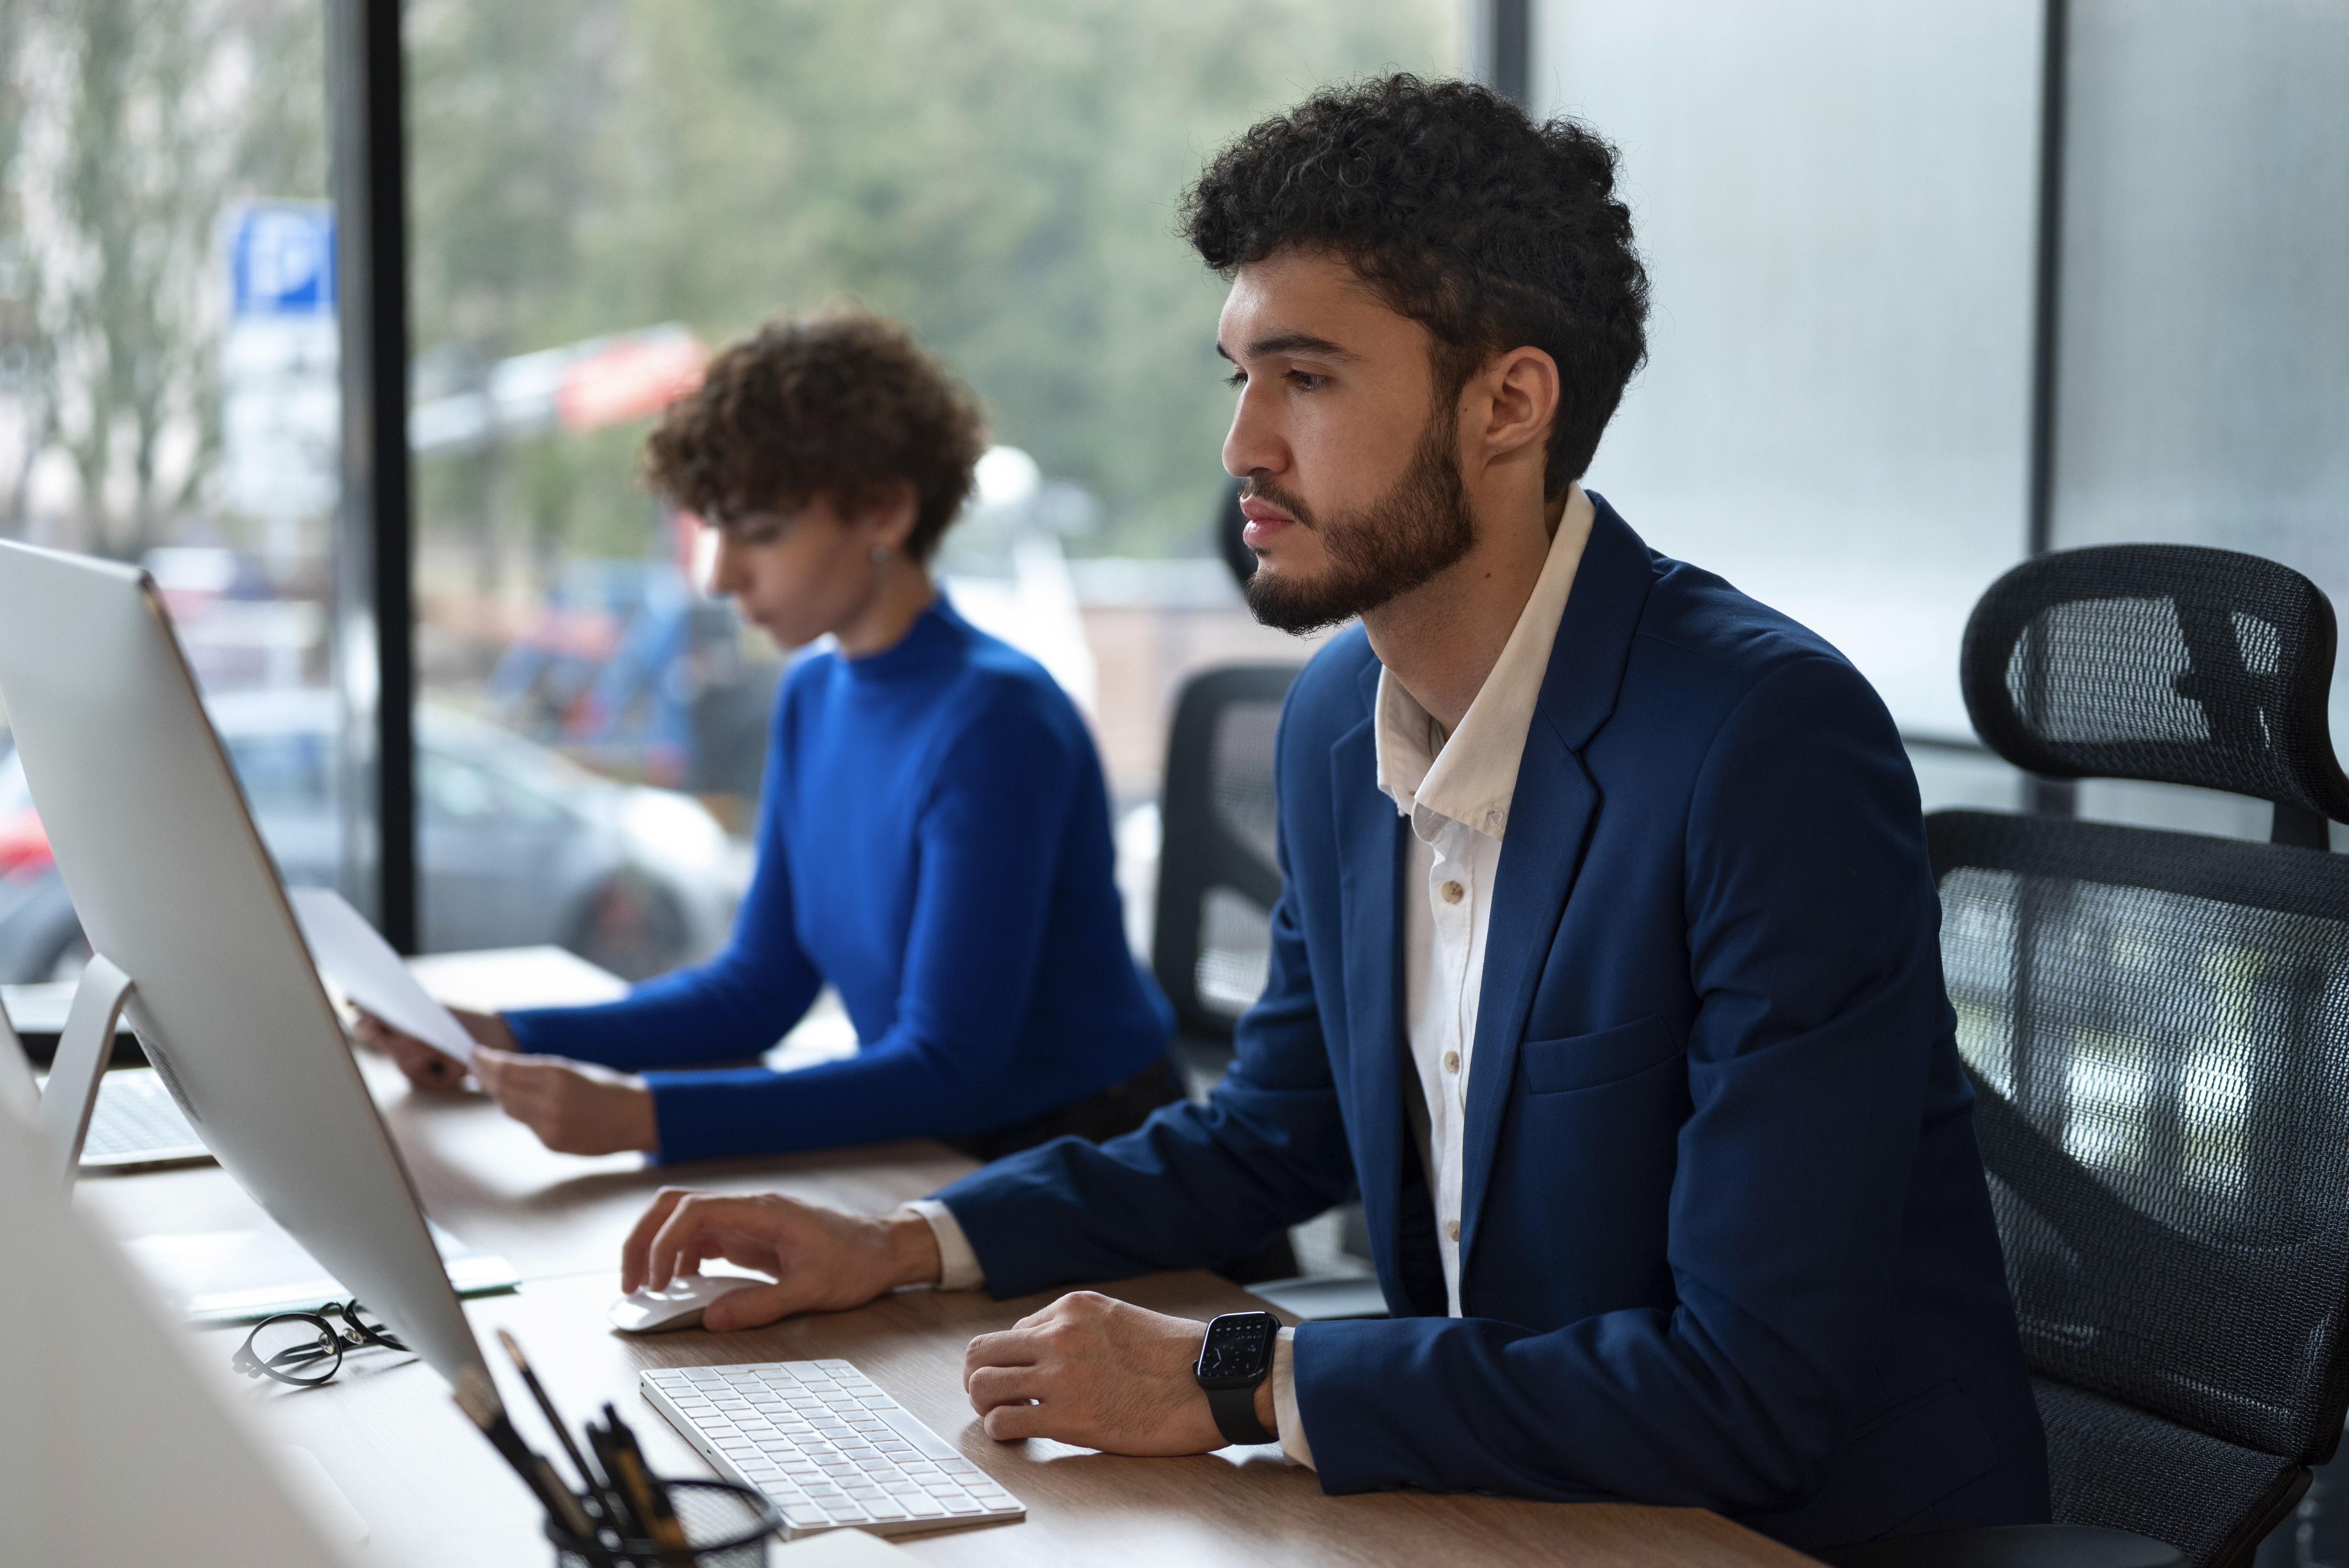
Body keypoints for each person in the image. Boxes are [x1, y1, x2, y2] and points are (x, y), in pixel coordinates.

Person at [609, 76, 2050, 1550]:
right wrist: (903, 1244)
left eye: (1304, 378)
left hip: (1794, 1531)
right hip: (1507, 1496)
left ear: (1508, 402)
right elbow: (1263, 1137)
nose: (1240, 443)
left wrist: (1240, 1374)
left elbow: (1745, 1382)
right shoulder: (1327, 719)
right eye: (1235, 376)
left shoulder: (1761, 745)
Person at [362, 313, 1180, 1164]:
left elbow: (948, 1066)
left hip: (1089, 1160)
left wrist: (645, 1116)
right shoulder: (814, 693)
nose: (719, 575)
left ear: (885, 510)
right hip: (943, 1146)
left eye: (758, 532)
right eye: (716, 531)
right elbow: (760, 987)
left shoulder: (998, 720)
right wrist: (500, 1034)